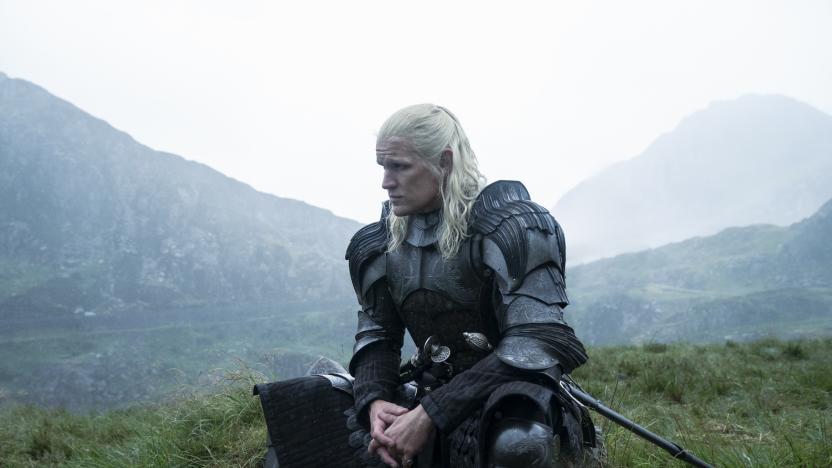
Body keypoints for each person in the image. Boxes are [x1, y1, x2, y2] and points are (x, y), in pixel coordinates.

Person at [255, 104, 595, 468]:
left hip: (505, 392)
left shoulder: (512, 227)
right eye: (383, 167)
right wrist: (375, 402)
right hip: (427, 386)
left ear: (444, 162)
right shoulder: (382, 241)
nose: (386, 182)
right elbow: (378, 337)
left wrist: (431, 413)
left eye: (399, 166)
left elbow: (536, 342)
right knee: (302, 413)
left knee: (517, 443)